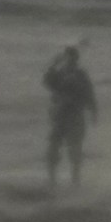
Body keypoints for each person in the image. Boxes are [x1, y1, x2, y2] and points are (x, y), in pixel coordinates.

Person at [42, 45, 98, 189]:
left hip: (75, 116)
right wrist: (53, 64)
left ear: (76, 59)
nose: (70, 60)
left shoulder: (80, 75)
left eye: (72, 57)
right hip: (59, 116)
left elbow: (89, 94)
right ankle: (52, 180)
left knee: (75, 150)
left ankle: (75, 180)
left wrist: (93, 112)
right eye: (67, 57)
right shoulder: (59, 73)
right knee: (53, 148)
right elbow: (47, 82)